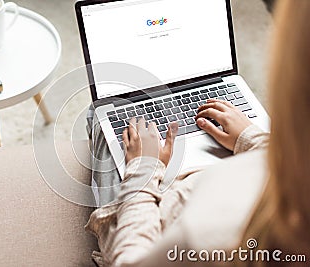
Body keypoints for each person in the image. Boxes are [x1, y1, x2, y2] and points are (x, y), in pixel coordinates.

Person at [85, 0, 310, 266]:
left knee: (99, 115)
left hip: (154, 218)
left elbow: (132, 259)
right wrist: (253, 140)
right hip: (218, 178)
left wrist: (143, 170)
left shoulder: (204, 236)